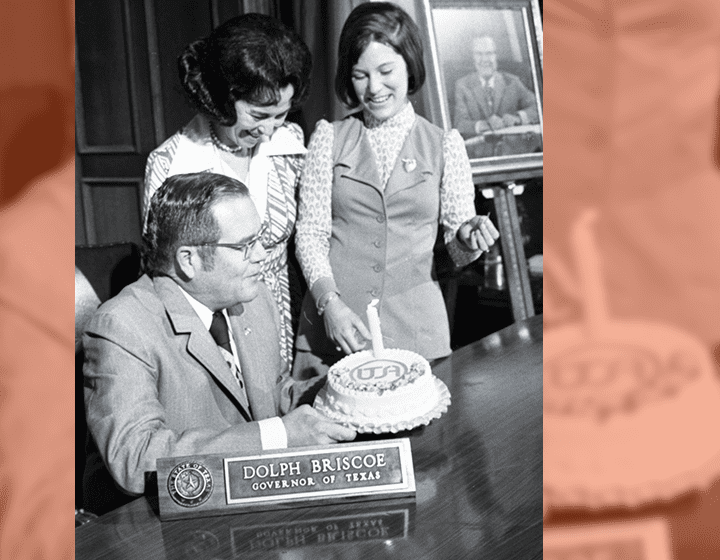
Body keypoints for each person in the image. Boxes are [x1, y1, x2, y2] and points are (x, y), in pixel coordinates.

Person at [83, 173, 356, 512]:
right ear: (189, 260)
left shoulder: (251, 300)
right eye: (244, 246)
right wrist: (276, 437)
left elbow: (273, 393)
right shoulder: (121, 326)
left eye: (260, 239)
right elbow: (134, 458)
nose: (261, 256)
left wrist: (348, 389)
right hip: (160, 525)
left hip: (250, 506)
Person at [292, 2, 500, 386]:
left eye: (386, 71)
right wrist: (329, 304)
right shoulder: (328, 137)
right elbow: (310, 234)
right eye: (360, 75)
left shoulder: (446, 145)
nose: (374, 88)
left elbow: (455, 250)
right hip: (334, 332)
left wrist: (469, 239)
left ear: (410, 65)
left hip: (417, 338)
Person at [143, 13, 312, 369]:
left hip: (283, 323)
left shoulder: (290, 144)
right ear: (221, 97)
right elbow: (165, 282)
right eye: (258, 115)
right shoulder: (171, 165)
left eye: (280, 115)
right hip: (212, 338)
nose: (269, 131)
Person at [453, 36, 539, 157]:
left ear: (496, 56)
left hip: (513, 156)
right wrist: (484, 125)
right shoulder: (463, 85)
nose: (485, 60)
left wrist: (518, 118)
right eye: (479, 54)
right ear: (473, 57)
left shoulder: (512, 82)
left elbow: (539, 106)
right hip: (480, 158)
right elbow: (459, 123)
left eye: (489, 53)